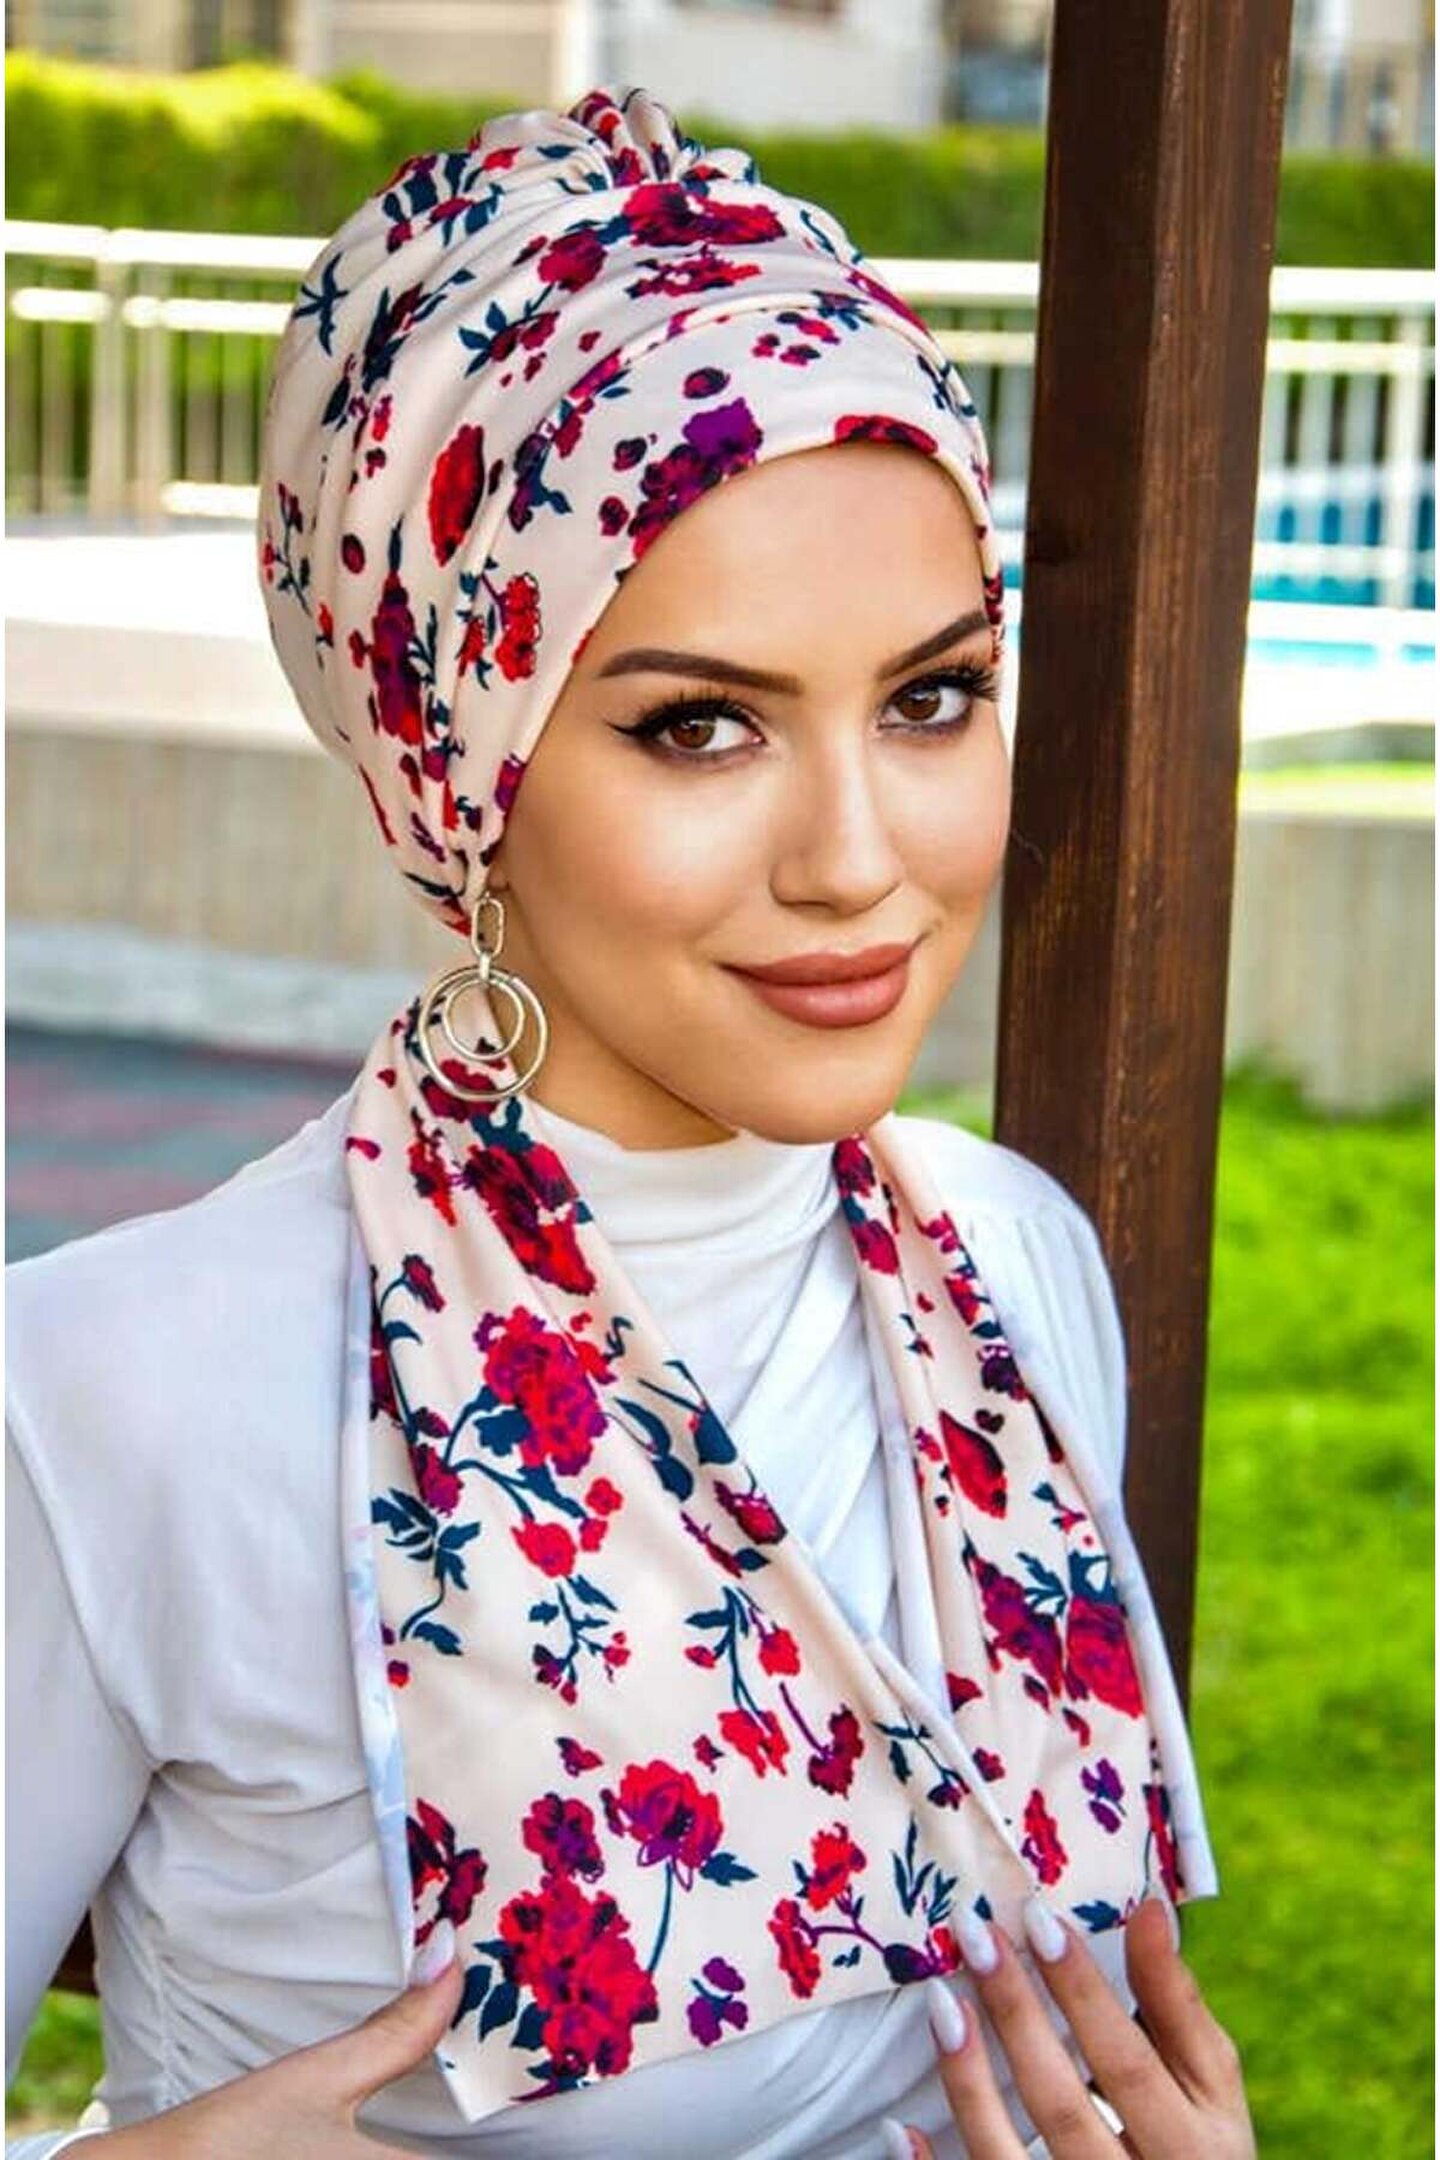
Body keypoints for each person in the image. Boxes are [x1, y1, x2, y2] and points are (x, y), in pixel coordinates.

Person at [5, 86, 1255, 2160]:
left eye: (932, 697)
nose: (858, 858)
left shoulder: (1013, 1265)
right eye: (701, 726)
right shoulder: (124, 1394)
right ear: (457, 770)